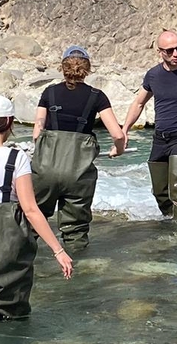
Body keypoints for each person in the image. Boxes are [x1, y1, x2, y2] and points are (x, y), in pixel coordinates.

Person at [0, 94, 73, 322]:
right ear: (9, 122)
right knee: (11, 304)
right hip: (9, 236)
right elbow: (30, 209)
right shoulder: (16, 158)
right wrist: (58, 250)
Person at [31, 46, 127, 254]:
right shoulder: (97, 96)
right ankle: (77, 273)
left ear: (63, 67)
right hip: (78, 173)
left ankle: (23, 263)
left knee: (33, 220)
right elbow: (118, 135)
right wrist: (117, 150)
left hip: (45, 168)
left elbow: (38, 130)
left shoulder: (49, 93)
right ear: (87, 69)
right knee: (75, 229)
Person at [122, 30, 177, 224]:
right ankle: (173, 222)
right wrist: (125, 130)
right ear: (160, 52)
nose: (176, 54)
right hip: (160, 138)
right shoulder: (153, 75)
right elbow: (138, 104)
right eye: (170, 50)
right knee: (159, 192)